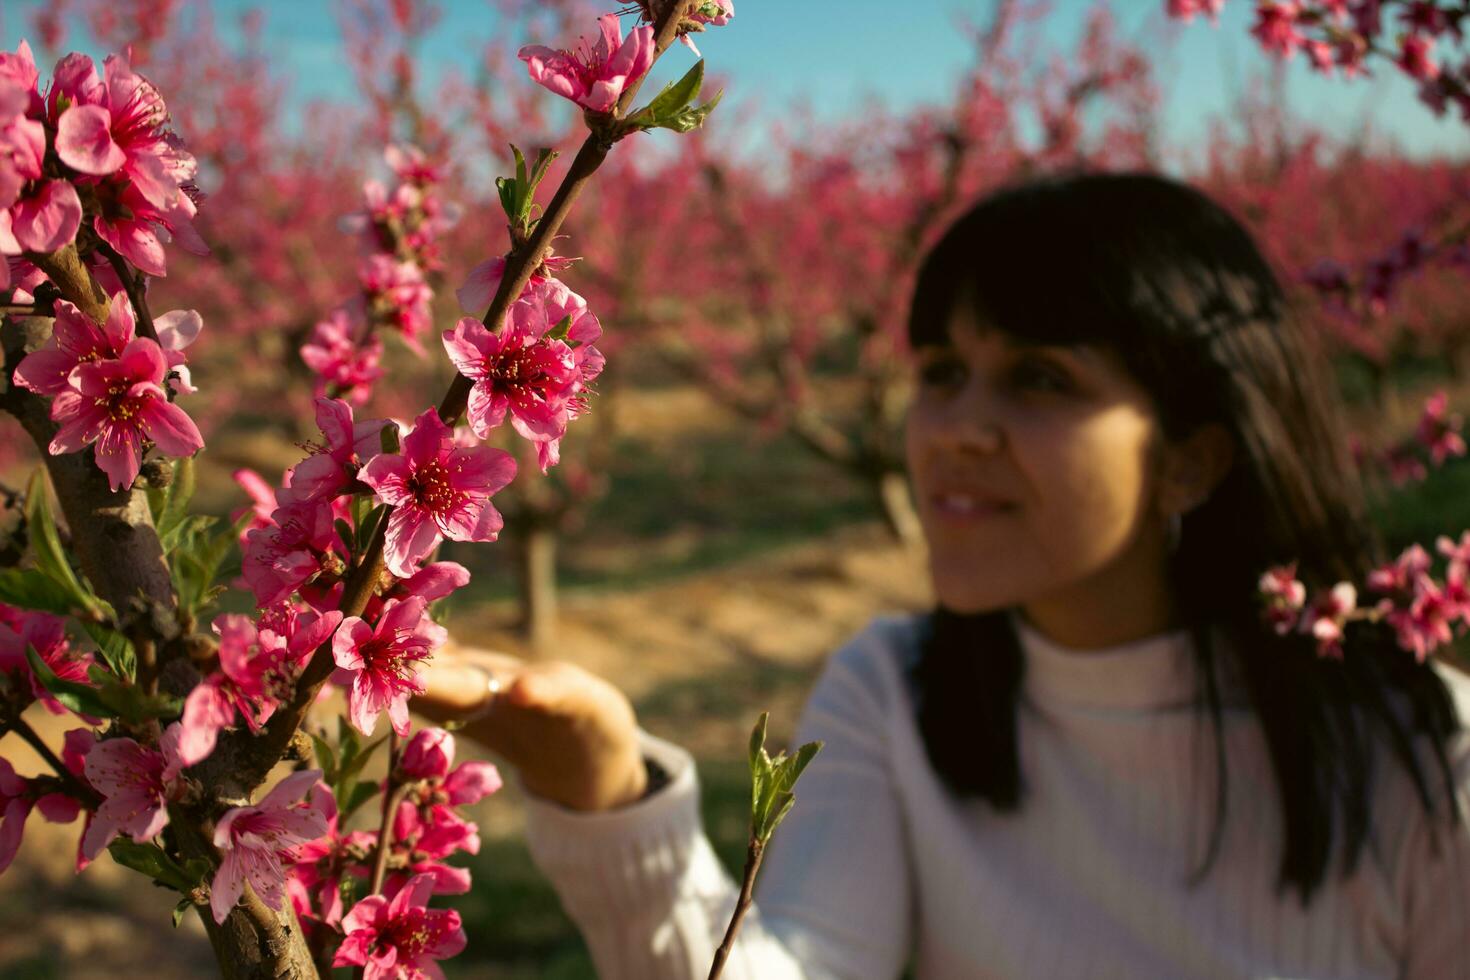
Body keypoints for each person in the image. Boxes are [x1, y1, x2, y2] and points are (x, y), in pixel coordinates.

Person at [416, 173, 1470, 978]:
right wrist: (608, 791)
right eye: (941, 373)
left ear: (1193, 455)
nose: (956, 430)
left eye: (1039, 378)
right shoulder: (895, 692)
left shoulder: (1430, 754)